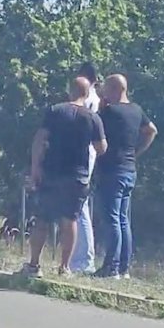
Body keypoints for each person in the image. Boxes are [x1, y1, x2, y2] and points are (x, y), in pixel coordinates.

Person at [20, 76, 106, 278]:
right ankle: (64, 268)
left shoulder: (55, 111)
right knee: (70, 221)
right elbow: (101, 148)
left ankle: (33, 266)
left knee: (42, 219)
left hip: (51, 172)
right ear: (86, 94)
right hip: (77, 176)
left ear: (69, 91)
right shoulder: (92, 118)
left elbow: (39, 139)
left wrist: (35, 168)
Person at [94, 74, 157, 279]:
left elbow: (94, 126)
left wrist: (101, 107)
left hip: (112, 169)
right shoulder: (136, 110)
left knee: (111, 218)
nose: (103, 92)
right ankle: (124, 267)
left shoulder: (110, 111)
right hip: (130, 169)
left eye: (105, 89)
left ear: (114, 89)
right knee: (122, 219)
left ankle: (111, 267)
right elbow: (151, 130)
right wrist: (137, 151)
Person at [70, 62, 102, 274]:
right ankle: (81, 258)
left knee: (79, 207)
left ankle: (84, 260)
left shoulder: (89, 98)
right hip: (86, 153)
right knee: (79, 207)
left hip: (82, 153)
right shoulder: (96, 97)